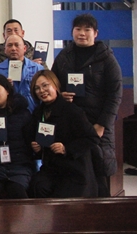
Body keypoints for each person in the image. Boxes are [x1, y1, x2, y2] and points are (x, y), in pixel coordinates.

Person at [51, 13, 122, 196]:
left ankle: (101, 210)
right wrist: (60, 95)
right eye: (78, 29)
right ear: (72, 32)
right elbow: (53, 84)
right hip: (71, 122)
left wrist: (102, 124)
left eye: (87, 29)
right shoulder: (64, 56)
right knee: (74, 170)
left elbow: (115, 94)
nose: (82, 33)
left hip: (96, 122)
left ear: (95, 33)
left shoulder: (106, 58)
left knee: (98, 170)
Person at [28, 70, 100, 198]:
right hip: (51, 168)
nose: (42, 91)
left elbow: (92, 138)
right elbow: (39, 140)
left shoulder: (72, 111)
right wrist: (37, 149)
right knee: (36, 186)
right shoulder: (38, 113)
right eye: (37, 88)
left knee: (62, 197)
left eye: (45, 85)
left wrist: (66, 148)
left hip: (74, 169)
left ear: (55, 85)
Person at [0, 34, 45, 113]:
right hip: (7, 114)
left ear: (24, 48)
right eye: (10, 45)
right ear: (5, 50)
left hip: (33, 113)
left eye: (17, 45)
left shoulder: (38, 69)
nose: (13, 48)